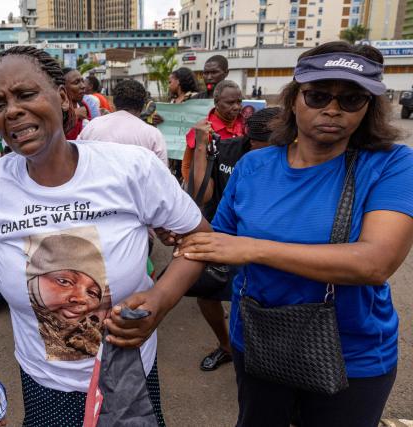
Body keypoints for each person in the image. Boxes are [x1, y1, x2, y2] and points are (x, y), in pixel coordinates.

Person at [0, 46, 211, 426]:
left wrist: (161, 300)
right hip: (45, 384)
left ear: (63, 98)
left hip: (129, 372)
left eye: (26, 94)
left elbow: (199, 240)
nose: (11, 110)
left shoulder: (130, 170)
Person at [176, 41, 413, 427]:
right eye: (318, 95)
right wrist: (155, 299)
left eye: (351, 99)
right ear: (293, 98)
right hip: (258, 339)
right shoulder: (255, 165)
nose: (332, 109)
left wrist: (254, 249)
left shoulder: (392, 165)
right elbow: (217, 245)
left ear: (369, 106)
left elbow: (374, 263)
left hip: (352, 352)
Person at [160, 108, 281, 372]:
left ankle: (262, 357)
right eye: (264, 148)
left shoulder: (294, 162)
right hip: (222, 232)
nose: (273, 157)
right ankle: (227, 346)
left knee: (262, 299)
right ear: (251, 141)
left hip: (265, 244)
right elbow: (202, 194)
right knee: (208, 291)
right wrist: (202, 147)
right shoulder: (230, 151)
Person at [78, 79, 168, 165]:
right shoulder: (153, 135)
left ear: (113, 103)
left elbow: (78, 161)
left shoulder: (92, 126)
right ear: (143, 106)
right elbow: (163, 173)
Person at [182, 80, 245, 182]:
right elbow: (187, 166)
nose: (236, 107)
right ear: (216, 102)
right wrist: (198, 193)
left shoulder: (244, 126)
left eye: (239, 102)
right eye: (230, 103)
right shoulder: (203, 130)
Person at [63, 67, 91, 140]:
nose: (83, 86)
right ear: (62, 88)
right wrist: (74, 114)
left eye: (82, 81)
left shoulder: (83, 105)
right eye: (76, 82)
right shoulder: (56, 109)